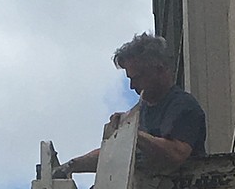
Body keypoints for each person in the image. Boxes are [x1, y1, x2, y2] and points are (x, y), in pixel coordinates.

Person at [55, 32, 206, 176]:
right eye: (129, 79)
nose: (132, 86)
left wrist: (131, 133)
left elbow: (177, 154)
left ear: (159, 70)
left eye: (137, 77)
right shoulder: (142, 113)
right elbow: (112, 156)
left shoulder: (183, 106)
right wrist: (72, 165)